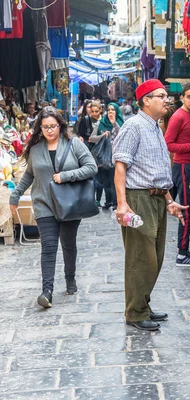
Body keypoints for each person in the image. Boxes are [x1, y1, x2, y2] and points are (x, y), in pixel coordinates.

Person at [112, 79, 189, 331]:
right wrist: (122, 204)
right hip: (139, 198)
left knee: (155, 256)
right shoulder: (134, 126)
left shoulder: (155, 126)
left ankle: (143, 304)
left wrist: (169, 200)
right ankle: (135, 312)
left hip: (156, 198)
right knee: (140, 257)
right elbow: (120, 166)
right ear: (146, 100)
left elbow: (156, 170)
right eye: (161, 96)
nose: (166, 100)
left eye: (166, 96)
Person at [8, 107, 98, 308]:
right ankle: (46, 291)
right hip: (44, 203)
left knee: (68, 244)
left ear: (60, 125)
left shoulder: (73, 144)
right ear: (40, 127)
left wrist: (66, 176)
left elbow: (91, 167)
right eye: (45, 127)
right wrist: (14, 195)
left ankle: (70, 279)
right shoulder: (35, 148)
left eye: (53, 126)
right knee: (48, 247)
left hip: (69, 204)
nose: (49, 130)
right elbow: (29, 175)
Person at [164, 83, 190, 267]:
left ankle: (185, 249)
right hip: (183, 167)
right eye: (188, 96)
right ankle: (182, 254)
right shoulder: (178, 117)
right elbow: (168, 144)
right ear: (182, 97)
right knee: (187, 209)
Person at [89, 102, 124, 210]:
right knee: (106, 182)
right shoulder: (102, 122)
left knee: (115, 181)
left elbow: (122, 135)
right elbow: (92, 138)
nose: (110, 112)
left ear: (116, 111)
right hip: (103, 157)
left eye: (113, 110)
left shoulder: (120, 122)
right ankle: (108, 202)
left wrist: (114, 123)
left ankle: (115, 202)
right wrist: (102, 135)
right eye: (109, 110)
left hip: (116, 157)